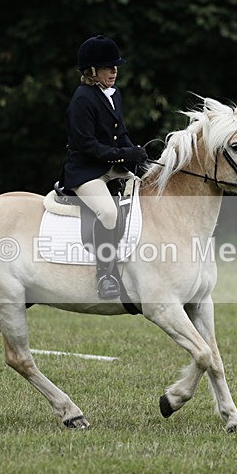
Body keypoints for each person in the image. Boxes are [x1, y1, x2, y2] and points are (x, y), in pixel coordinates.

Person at [60, 35, 148, 299]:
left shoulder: (112, 93)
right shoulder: (82, 100)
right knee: (108, 213)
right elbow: (87, 145)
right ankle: (105, 275)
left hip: (110, 164)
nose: (115, 71)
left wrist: (136, 155)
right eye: (109, 67)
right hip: (85, 171)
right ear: (92, 71)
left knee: (149, 189)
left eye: (116, 66)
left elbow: (120, 133)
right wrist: (123, 155)